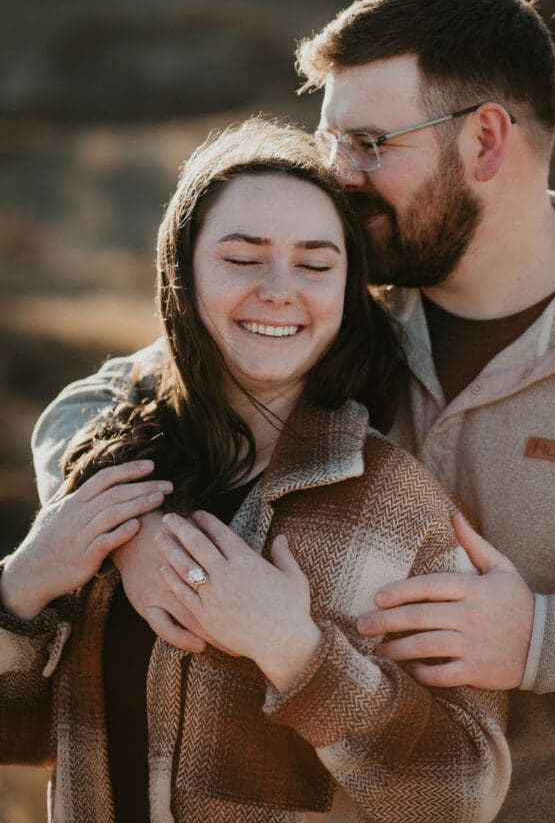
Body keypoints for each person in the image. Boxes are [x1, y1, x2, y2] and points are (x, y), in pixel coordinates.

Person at [31, 0, 555, 822]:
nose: (338, 175)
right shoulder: (341, 287)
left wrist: (541, 641)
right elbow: (98, 405)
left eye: (370, 144)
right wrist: (138, 529)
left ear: (486, 141)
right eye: (331, 139)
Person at [1, 119, 510, 823]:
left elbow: (461, 796)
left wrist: (293, 651)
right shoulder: (111, 478)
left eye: (314, 263)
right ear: (180, 273)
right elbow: (19, 737)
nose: (279, 289)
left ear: (347, 287)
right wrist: (20, 590)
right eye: (242, 258)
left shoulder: (393, 506)